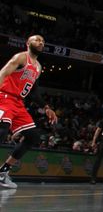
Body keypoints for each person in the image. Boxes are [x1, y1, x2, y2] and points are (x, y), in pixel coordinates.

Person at [0, 34, 58, 189]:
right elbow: (3, 73)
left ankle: (3, 171)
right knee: (2, 130)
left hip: (18, 103)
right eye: (37, 40)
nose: (41, 42)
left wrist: (46, 107)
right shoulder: (20, 57)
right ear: (28, 43)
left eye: (43, 41)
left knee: (33, 136)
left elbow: (33, 92)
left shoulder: (38, 67)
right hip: (4, 97)